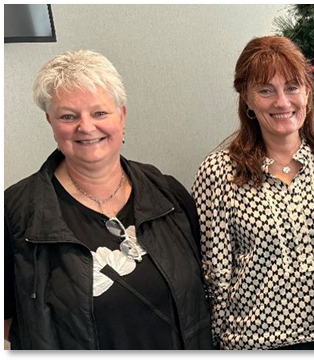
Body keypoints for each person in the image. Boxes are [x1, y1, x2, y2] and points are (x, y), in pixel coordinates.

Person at [3, 50, 213, 350]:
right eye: (69, 116)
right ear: (51, 122)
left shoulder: (169, 195)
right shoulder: (18, 213)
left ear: (122, 116)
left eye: (99, 113)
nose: (86, 127)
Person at [193, 35, 314, 350]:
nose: (282, 102)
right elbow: (213, 275)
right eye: (265, 90)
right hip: (250, 342)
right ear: (247, 98)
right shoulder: (219, 172)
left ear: (308, 93)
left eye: (292, 87)